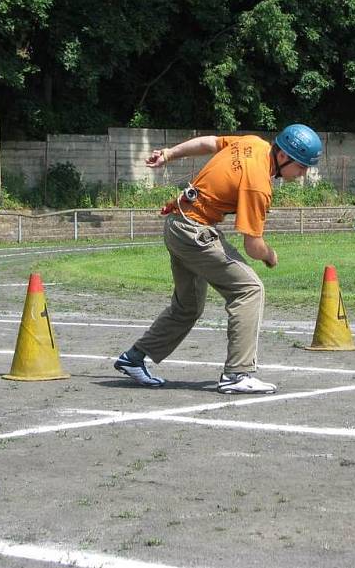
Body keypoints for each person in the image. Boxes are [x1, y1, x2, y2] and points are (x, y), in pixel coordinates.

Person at [114, 124, 323, 393]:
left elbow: (208, 142)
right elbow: (253, 245)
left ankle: (133, 358)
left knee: (187, 307)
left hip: (177, 225)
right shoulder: (258, 183)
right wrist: (270, 256)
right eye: (302, 166)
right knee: (249, 289)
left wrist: (168, 154)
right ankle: (237, 374)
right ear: (283, 157)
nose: (304, 173)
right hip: (193, 231)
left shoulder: (253, 143)